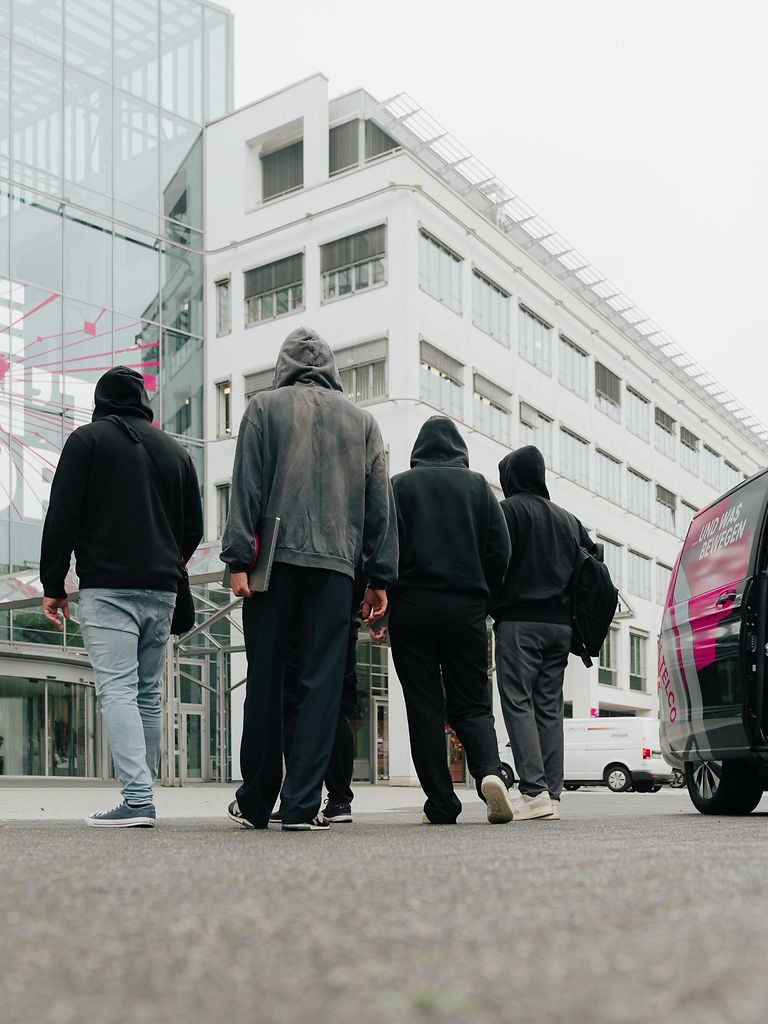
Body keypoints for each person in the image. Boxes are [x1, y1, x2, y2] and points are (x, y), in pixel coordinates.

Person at [221, 327, 397, 832]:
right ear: (333, 369)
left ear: (284, 365)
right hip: (336, 568)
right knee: (321, 688)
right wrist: (378, 576)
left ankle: (255, 802)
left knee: (266, 683)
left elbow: (246, 487)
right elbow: (378, 505)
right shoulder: (363, 422)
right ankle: (300, 807)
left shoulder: (263, 408)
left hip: (273, 566)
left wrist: (238, 560)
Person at [39, 366, 203, 828]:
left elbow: (63, 514)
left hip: (109, 587)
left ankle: (137, 799)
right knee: (147, 694)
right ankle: (142, 793)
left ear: (101, 400)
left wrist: (53, 585)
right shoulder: (176, 451)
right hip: (163, 589)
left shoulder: (88, 440)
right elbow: (194, 528)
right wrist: (167, 561)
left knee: (118, 690)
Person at [386, 416, 513, 825]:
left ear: (418, 450)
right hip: (465, 608)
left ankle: (441, 804)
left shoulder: (400, 486)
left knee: (423, 707)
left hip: (411, 606)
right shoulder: (477, 486)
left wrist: (381, 599)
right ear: (460, 449)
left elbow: (383, 547)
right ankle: (490, 773)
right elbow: (501, 549)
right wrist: (484, 594)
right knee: (472, 702)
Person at [492, 445, 596, 822]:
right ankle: (552, 793)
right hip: (561, 627)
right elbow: (592, 562)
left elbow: (493, 560)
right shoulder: (568, 519)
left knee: (518, 701)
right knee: (550, 708)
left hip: (520, 622)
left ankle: (533, 791)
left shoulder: (507, 512)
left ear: (510, 477)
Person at [277, 574, 366, 824]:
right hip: (343, 617)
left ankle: (296, 797)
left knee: (293, 704)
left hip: (300, 619)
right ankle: (339, 800)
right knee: (337, 709)